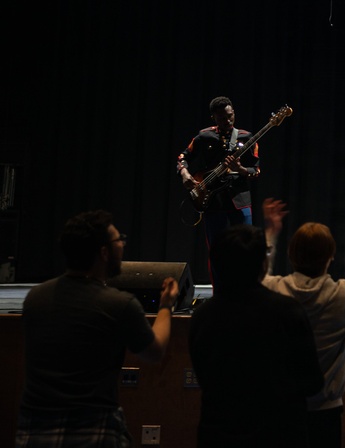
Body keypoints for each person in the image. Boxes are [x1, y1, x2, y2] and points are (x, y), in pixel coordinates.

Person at [16, 210, 179, 447]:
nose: (122, 244)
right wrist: (166, 306)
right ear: (104, 253)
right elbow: (154, 352)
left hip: (34, 431)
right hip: (95, 430)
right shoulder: (118, 304)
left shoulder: (34, 298)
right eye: (118, 240)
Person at [257, 195, 345, 448]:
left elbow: (260, 273)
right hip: (326, 411)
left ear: (291, 255)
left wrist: (271, 232)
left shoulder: (273, 291)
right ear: (331, 256)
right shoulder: (342, 295)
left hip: (281, 407)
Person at [188, 224, 323, 447]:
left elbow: (204, 378)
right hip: (279, 435)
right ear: (263, 265)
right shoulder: (288, 311)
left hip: (218, 435)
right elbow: (312, 383)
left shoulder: (203, 316)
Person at [177, 96, 261, 282]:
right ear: (214, 117)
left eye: (230, 116)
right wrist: (184, 173)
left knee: (246, 249)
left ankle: (245, 295)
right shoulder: (204, 136)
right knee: (216, 251)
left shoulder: (246, 137)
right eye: (222, 118)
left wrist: (240, 169)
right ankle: (220, 297)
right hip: (213, 201)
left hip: (239, 200)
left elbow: (256, 171)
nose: (228, 121)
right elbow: (183, 156)